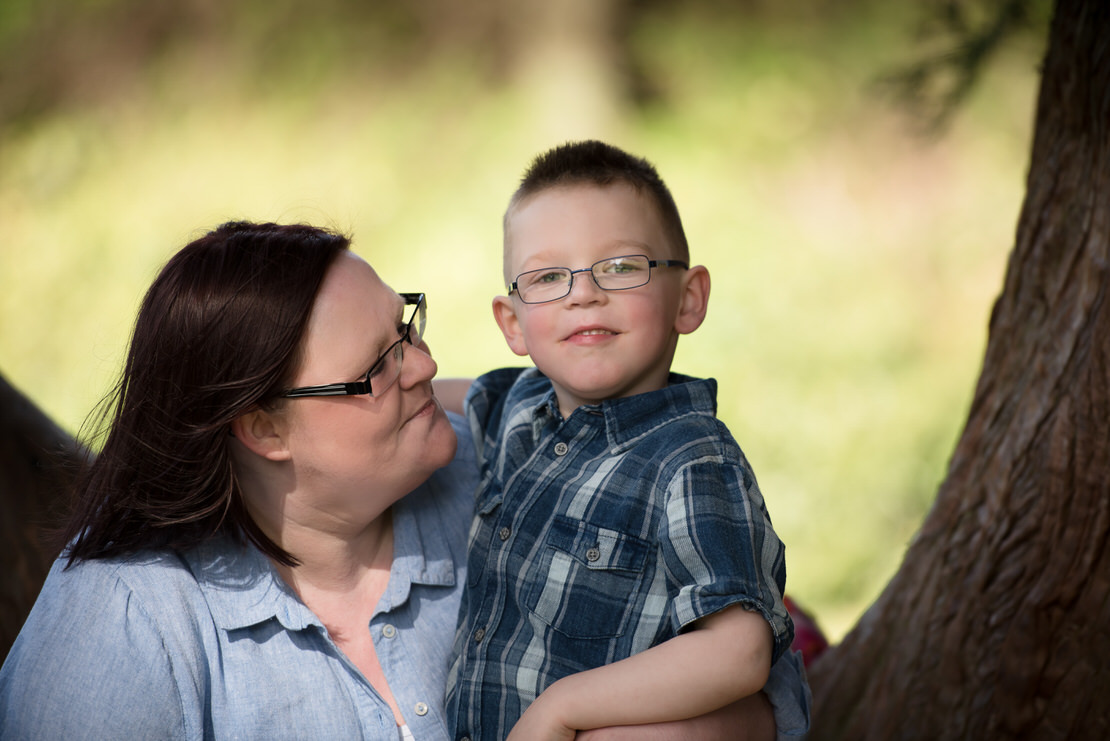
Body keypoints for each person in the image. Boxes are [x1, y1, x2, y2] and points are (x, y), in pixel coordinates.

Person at [0, 220, 796, 740]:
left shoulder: (511, 481)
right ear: (262, 428)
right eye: (377, 367)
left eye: (405, 327)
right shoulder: (125, 618)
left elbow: (764, 682)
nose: (424, 364)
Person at [444, 141, 811, 740]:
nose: (583, 293)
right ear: (513, 324)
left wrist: (563, 709)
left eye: (621, 267)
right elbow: (435, 394)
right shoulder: (521, 410)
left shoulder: (690, 459)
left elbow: (736, 651)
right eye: (548, 276)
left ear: (688, 300)